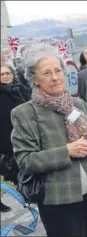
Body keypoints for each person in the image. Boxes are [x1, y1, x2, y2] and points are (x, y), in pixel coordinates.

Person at [11, 44, 87, 237]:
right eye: (46, 73)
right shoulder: (25, 113)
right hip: (58, 200)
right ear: (34, 78)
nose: (55, 77)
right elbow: (25, 161)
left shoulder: (77, 104)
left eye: (57, 71)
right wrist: (67, 151)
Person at [0, 64, 32, 212]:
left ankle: (27, 193)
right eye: (2, 74)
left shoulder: (20, 89)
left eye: (8, 73)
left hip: (24, 134)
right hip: (5, 137)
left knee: (23, 166)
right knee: (10, 168)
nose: (5, 76)